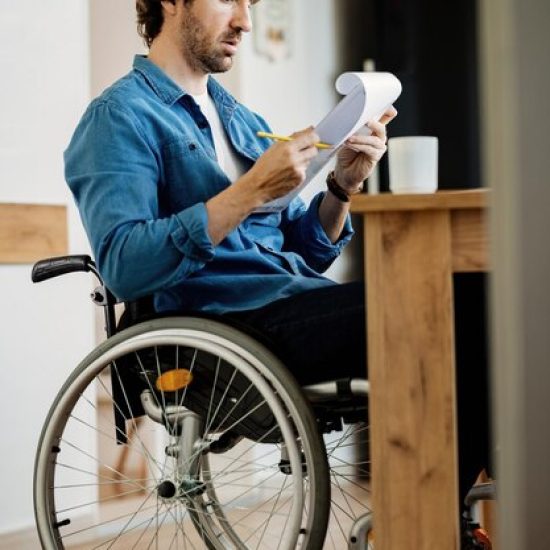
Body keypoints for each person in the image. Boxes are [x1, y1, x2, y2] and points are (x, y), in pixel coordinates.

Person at [64, 0, 490, 542]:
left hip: (291, 306)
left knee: (483, 296)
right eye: (229, 1)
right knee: (463, 301)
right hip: (227, 327)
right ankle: (424, 526)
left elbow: (305, 250)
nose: (244, 19)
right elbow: (124, 264)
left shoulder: (241, 118)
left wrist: (343, 186)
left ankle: (438, 514)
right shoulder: (118, 116)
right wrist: (246, 192)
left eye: (251, 4)